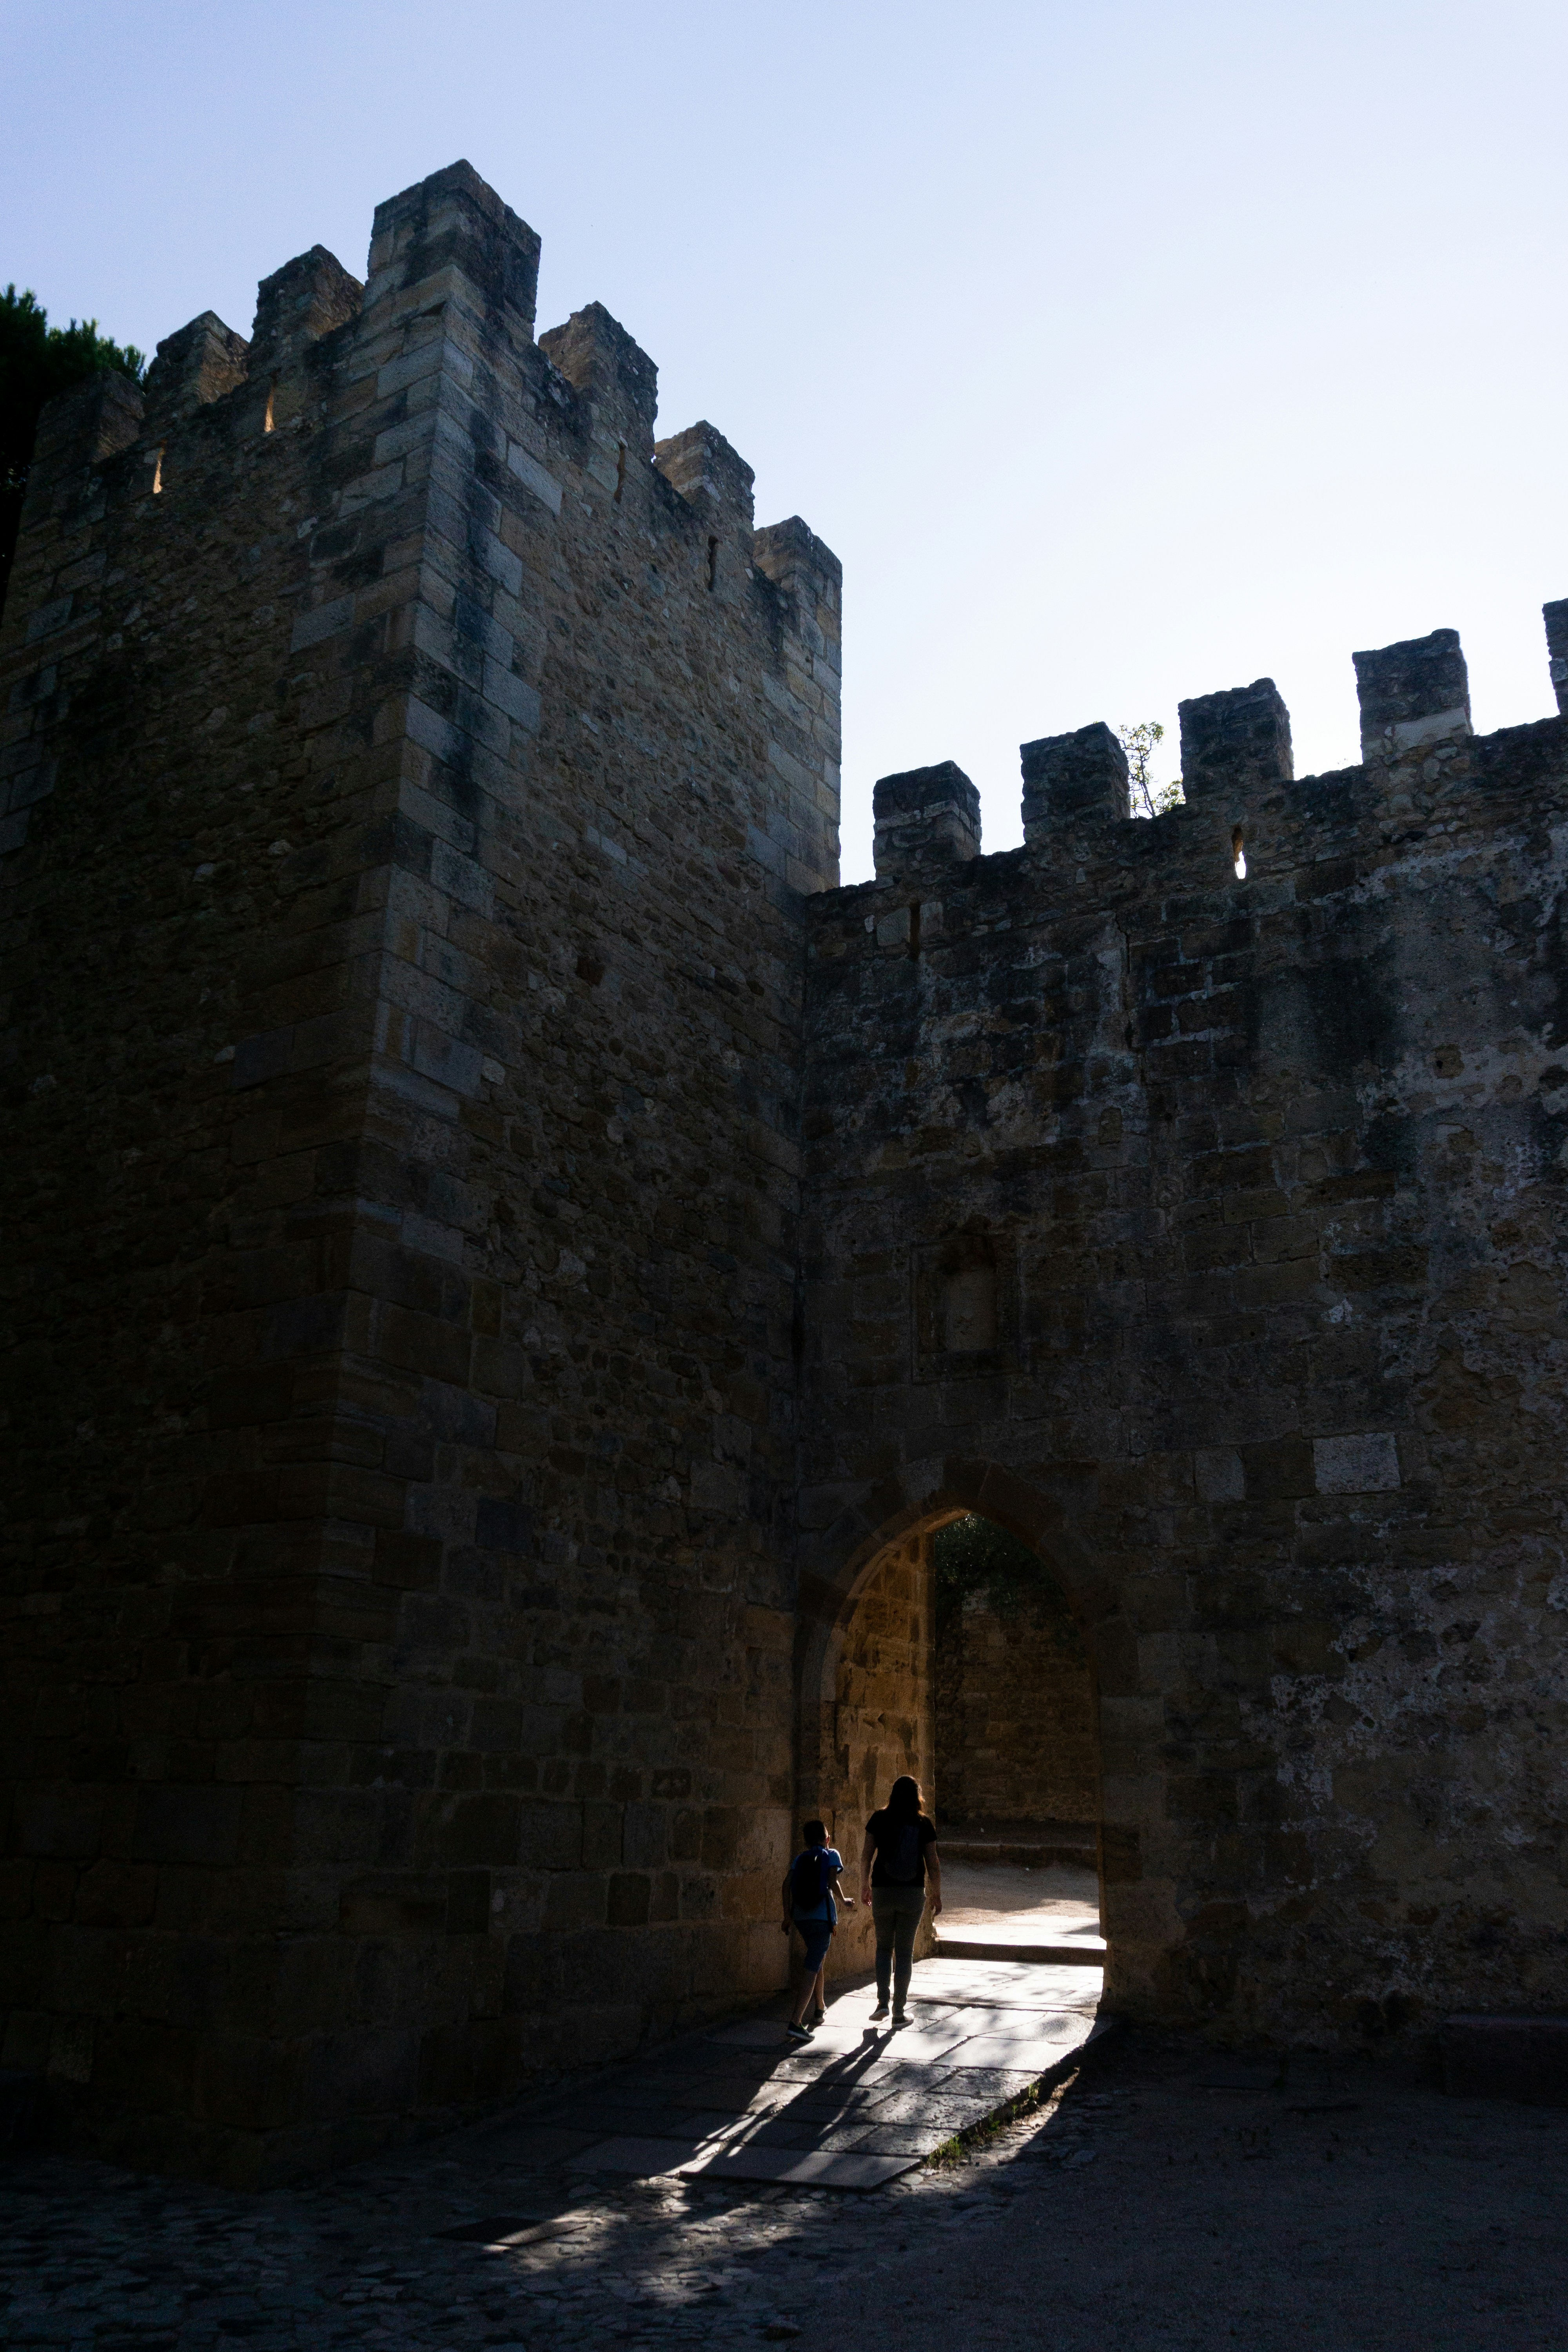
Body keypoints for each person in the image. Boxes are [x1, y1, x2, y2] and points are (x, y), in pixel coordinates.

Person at [858, 1774, 942, 2025]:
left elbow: (865, 1857)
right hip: (912, 1893)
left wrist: (864, 1885)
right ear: (917, 1796)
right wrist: (936, 1893)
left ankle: (882, 2003)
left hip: (882, 1890)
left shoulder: (878, 1819)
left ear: (892, 1794)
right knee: (904, 1953)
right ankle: (899, 2013)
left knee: (884, 1948)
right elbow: (933, 1863)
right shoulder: (923, 1823)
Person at [781, 1818, 854, 2042]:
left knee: (817, 1957)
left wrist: (787, 1916)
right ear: (828, 1839)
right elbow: (832, 1881)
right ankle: (795, 2022)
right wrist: (844, 1901)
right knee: (812, 1965)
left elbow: (786, 1885)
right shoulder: (831, 1854)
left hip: (802, 1918)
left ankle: (820, 2007)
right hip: (822, 1918)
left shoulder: (800, 1858)